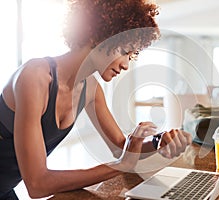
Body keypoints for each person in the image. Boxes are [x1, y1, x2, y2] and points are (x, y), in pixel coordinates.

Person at [0, 0, 192, 199]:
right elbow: (37, 184)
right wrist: (122, 166)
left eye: (131, 55)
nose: (126, 64)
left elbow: (120, 148)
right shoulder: (35, 77)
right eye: (125, 51)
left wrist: (159, 141)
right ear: (97, 36)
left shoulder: (90, 89)